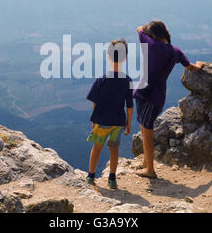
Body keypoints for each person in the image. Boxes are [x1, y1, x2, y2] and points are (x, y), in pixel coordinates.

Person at [134, 20, 205, 178]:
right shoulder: (175, 51)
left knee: (146, 130)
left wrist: (145, 30)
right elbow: (190, 67)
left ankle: (150, 169)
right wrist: (199, 65)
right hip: (158, 95)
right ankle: (146, 162)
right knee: (145, 126)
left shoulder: (150, 44)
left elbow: (139, 29)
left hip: (144, 92)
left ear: (153, 35)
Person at [86, 39, 133, 189]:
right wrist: (129, 122)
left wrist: (94, 119)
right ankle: (112, 179)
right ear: (125, 57)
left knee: (97, 147)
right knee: (114, 149)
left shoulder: (101, 79)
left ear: (108, 56)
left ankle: (90, 176)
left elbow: (95, 101)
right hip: (118, 121)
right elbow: (130, 105)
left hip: (101, 120)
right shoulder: (127, 81)